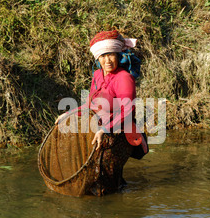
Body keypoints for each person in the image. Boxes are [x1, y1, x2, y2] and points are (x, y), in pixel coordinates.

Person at [54, 30, 144, 195]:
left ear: (119, 55)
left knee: (105, 182)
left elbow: (127, 109)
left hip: (119, 134)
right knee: (101, 175)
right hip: (100, 131)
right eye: (102, 56)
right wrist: (69, 114)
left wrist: (105, 129)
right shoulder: (97, 75)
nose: (107, 60)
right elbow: (90, 105)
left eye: (111, 55)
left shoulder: (124, 78)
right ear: (97, 58)